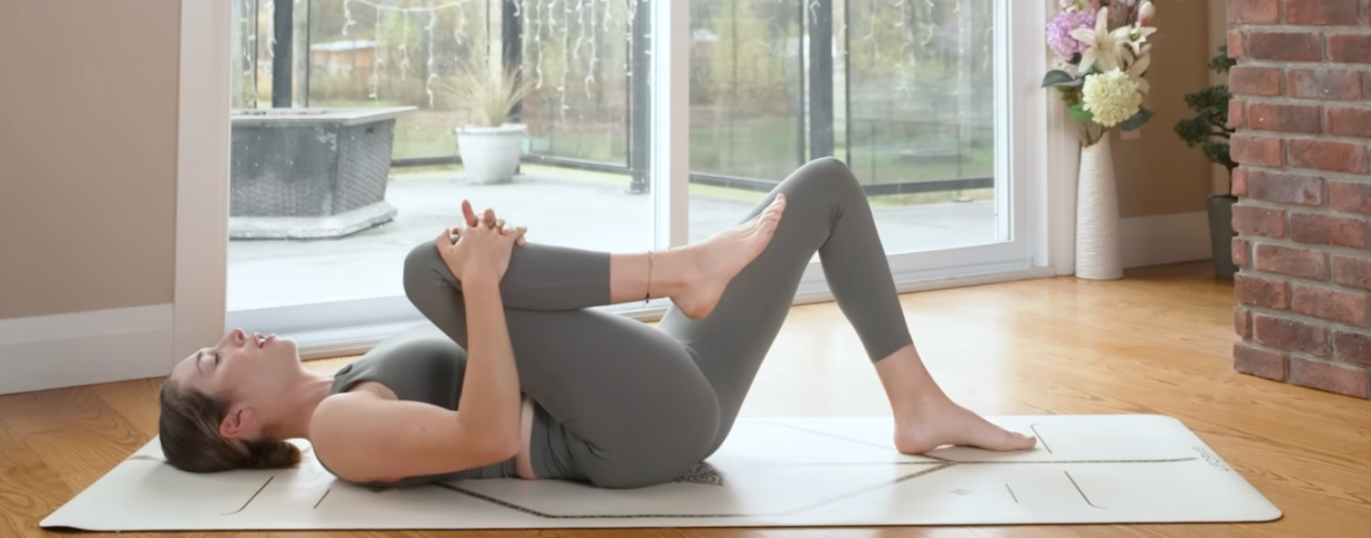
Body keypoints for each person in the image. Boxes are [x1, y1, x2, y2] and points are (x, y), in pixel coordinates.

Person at [159, 156, 1035, 488]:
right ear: (238, 421)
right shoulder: (341, 431)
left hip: (661, 385)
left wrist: (496, 277)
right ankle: (682, 269)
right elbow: (489, 430)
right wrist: (484, 284)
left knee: (825, 188)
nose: (235, 336)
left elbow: (520, 350)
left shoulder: (350, 380)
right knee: (432, 264)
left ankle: (916, 403)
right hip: (627, 439)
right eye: (215, 357)